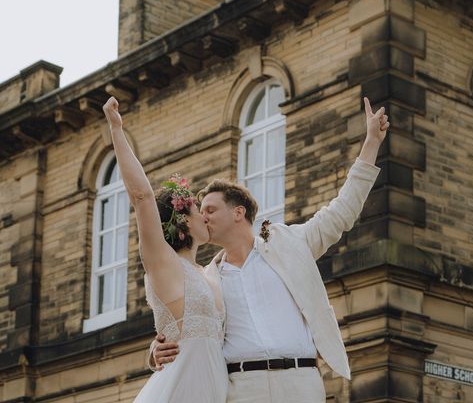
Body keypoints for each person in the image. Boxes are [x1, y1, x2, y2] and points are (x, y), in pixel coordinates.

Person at [150, 97, 389, 402]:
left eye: (210, 208)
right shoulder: (207, 279)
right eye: (201, 210)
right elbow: (182, 322)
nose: (202, 216)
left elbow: (342, 211)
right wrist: (155, 349)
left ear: (238, 212)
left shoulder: (290, 244)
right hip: (241, 387)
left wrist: (371, 143)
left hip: (301, 381)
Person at [102, 97, 228, 402]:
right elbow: (142, 196)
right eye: (198, 208)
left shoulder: (211, 272)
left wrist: (153, 349)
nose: (205, 215)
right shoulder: (165, 265)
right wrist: (117, 130)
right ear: (181, 220)